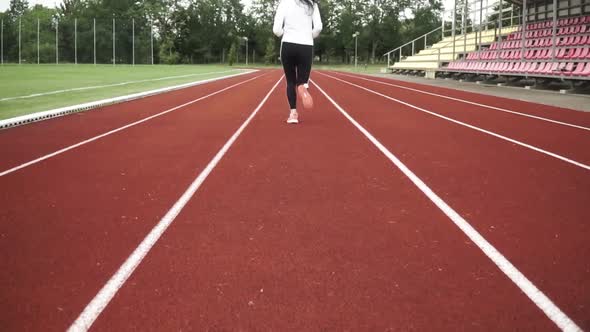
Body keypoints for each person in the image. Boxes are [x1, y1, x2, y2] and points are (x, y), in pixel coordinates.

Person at [273, 0, 322, 124]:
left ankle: (293, 113)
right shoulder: (312, 4)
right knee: (301, 81)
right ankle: (302, 87)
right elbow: (318, 27)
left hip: (288, 44)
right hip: (306, 45)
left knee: (290, 81)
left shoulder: (284, 3)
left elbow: (276, 29)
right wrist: (309, 35)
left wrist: (286, 34)